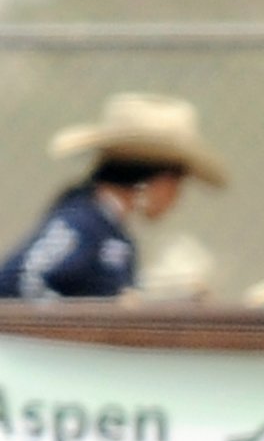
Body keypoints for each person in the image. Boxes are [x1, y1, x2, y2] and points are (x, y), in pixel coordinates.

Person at [0, 94, 226, 298]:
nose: (177, 199)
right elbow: (22, 279)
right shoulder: (82, 223)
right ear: (156, 180)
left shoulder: (114, 237)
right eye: (176, 184)